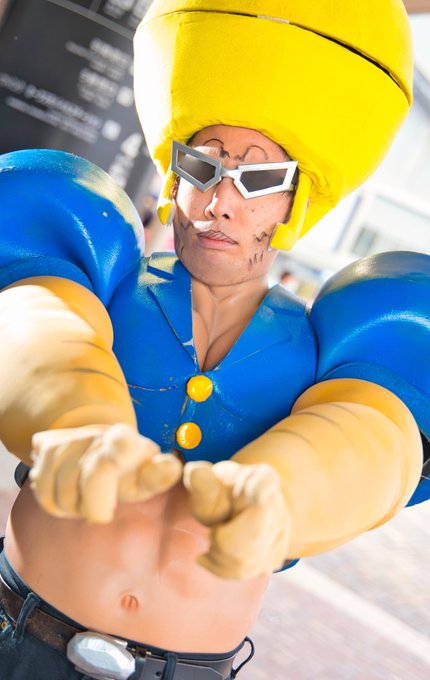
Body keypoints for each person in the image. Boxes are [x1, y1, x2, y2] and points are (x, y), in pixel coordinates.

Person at [0, 1, 429, 679]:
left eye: (257, 180)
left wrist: (286, 491)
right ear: (174, 175)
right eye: (202, 166)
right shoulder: (100, 277)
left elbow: (372, 437)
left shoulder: (335, 351)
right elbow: (39, 324)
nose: (218, 201)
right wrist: (72, 414)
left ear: (296, 200)